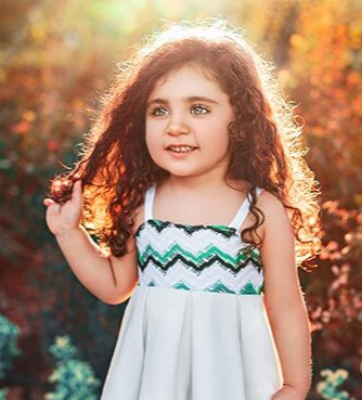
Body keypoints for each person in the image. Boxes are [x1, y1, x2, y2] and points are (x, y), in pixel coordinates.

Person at [43, 18, 322, 400]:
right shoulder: (142, 204)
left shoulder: (260, 210)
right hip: (154, 383)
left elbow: (285, 305)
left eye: (199, 109)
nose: (175, 126)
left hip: (232, 382)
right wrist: (68, 233)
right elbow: (115, 286)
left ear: (239, 120)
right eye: (159, 111)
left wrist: (295, 384)